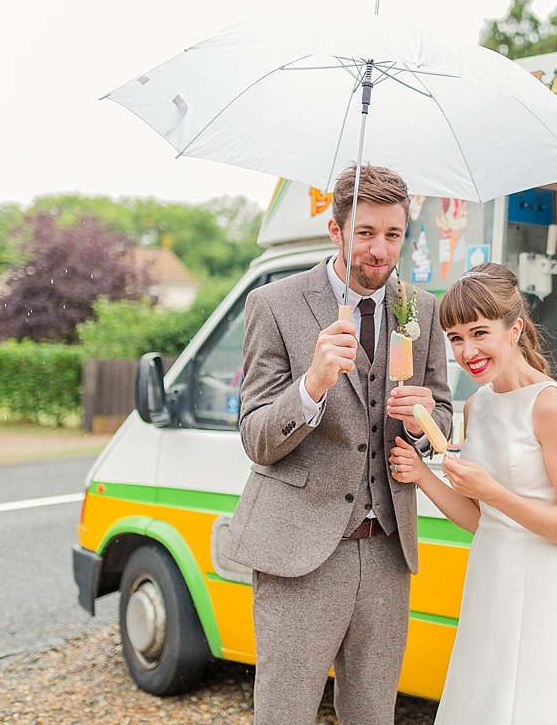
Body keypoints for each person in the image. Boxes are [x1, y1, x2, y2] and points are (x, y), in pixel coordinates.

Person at [222, 164, 452, 725]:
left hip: (387, 549)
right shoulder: (274, 304)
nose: (380, 249)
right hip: (298, 551)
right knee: (285, 712)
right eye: (366, 232)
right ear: (335, 229)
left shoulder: (420, 310)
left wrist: (423, 422)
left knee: (374, 712)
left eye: (393, 234)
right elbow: (255, 436)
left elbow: (444, 413)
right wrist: (311, 386)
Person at [389, 262, 557, 725]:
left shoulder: (552, 405)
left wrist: (492, 491)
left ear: (514, 329)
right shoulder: (478, 404)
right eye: (455, 338)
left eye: (479, 332)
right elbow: (480, 520)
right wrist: (422, 476)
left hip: (548, 586)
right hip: (491, 579)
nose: (467, 350)